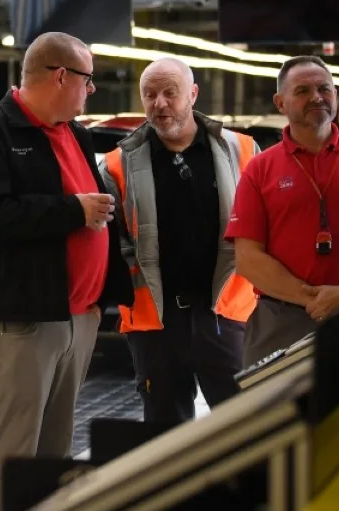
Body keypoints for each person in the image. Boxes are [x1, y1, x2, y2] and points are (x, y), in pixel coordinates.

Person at [0, 32, 133, 511]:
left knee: (54, 450)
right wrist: (71, 211)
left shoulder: (74, 133)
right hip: (25, 320)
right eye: (88, 79)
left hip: (77, 316)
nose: (91, 90)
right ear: (61, 76)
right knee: (14, 447)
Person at [227, 55, 339, 410]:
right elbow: (247, 257)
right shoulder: (259, 170)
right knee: (273, 440)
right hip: (280, 322)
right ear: (281, 103)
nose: (317, 97)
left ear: (336, 96)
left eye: (325, 88)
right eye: (303, 90)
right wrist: (312, 298)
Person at [100, 58, 258, 425]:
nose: (159, 103)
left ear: (193, 94)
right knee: (165, 436)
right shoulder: (115, 165)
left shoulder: (243, 152)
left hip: (226, 315)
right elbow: (113, 244)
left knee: (245, 428)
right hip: (156, 323)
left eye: (170, 93)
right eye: (150, 94)